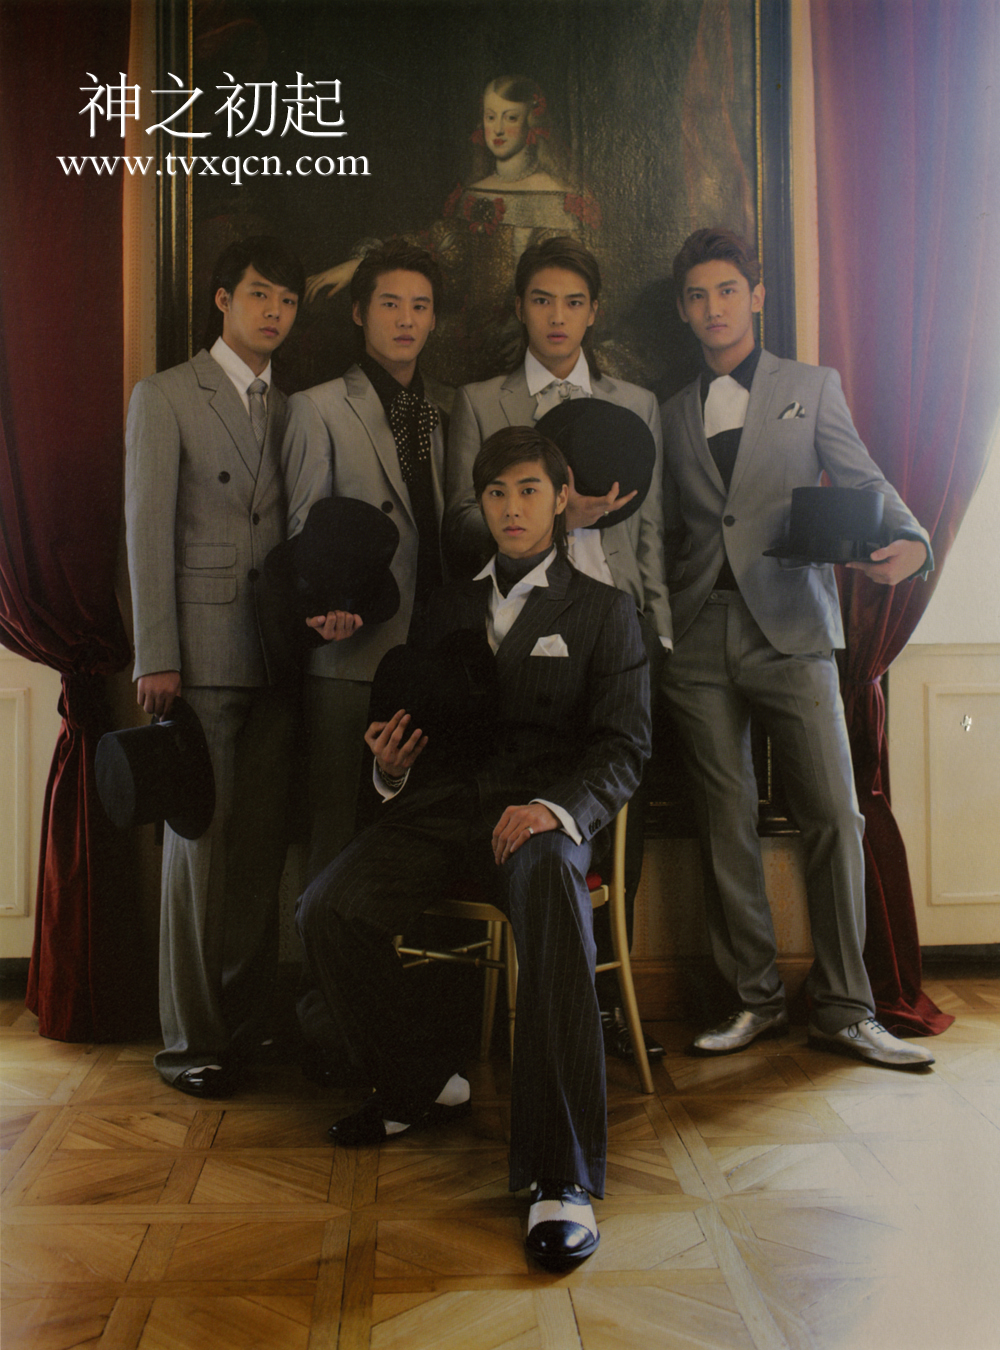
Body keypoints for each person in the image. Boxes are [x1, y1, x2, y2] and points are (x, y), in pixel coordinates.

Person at [297, 426, 651, 1269]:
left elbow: (624, 748)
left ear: (560, 497)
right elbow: (424, 721)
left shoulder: (606, 610)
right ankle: (418, 1079)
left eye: (528, 490)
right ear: (482, 505)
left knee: (553, 895)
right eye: (496, 493)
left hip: (540, 822)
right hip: (446, 810)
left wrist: (554, 811)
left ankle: (561, 1176)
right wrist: (390, 770)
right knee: (326, 909)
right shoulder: (447, 604)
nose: (512, 508)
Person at [659, 226, 935, 1068]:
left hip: (795, 628)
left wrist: (913, 538)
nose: (714, 308)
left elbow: (863, 478)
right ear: (683, 310)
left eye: (727, 290)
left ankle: (847, 1009)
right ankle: (753, 1000)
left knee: (834, 816)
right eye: (698, 296)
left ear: (755, 296)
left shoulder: (811, 388)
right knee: (725, 823)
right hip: (698, 637)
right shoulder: (667, 412)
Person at [445, 234, 669, 1062]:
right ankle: (520, 1008)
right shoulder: (480, 401)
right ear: (520, 308)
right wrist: (552, 515)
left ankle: (600, 1004)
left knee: (613, 815)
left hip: (615, 632)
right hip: (524, 631)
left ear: (594, 312)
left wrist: (658, 628)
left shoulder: (636, 402)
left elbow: (650, 532)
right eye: (543, 300)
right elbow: (458, 521)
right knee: (523, 812)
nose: (558, 317)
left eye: (574, 302)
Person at [125, 236, 305, 1097]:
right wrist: (156, 653)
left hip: (276, 653)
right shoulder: (166, 395)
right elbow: (145, 528)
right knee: (198, 850)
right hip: (197, 656)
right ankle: (189, 1043)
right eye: (260, 294)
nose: (275, 312)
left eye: (288, 301)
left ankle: (244, 1022)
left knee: (260, 851)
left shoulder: (292, 406)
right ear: (222, 299)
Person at [281, 240, 447, 882]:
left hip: (430, 651)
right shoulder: (318, 406)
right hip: (352, 650)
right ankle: (319, 954)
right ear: (358, 312)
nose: (406, 319)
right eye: (390, 304)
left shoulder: (445, 407)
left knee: (415, 837)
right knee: (334, 832)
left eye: (420, 306)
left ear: (433, 318)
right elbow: (304, 532)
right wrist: (328, 608)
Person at [303, 77, 601, 388]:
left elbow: (566, 283)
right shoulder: (474, 190)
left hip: (525, 339)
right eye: (491, 117)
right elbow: (435, 247)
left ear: (532, 124)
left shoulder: (556, 196)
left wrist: (524, 327)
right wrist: (359, 263)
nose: (498, 129)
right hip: (470, 339)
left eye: (511, 118)